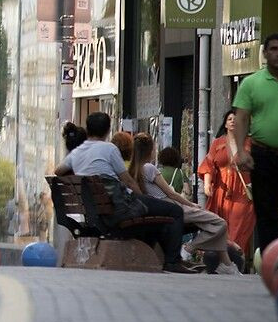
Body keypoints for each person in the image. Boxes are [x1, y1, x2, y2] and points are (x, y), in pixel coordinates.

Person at [53, 112, 195, 273]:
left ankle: (157, 260)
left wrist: (81, 174)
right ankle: (172, 261)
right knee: (175, 211)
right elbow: (127, 180)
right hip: (119, 207)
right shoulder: (109, 149)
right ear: (107, 131)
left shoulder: (77, 152)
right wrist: (142, 197)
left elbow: (58, 171)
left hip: (97, 209)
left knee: (156, 220)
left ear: (88, 129)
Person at [129, 133, 240, 275]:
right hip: (172, 207)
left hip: (157, 209)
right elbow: (171, 194)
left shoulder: (132, 171)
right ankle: (189, 248)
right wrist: (192, 204)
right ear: (150, 150)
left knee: (210, 225)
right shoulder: (149, 168)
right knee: (220, 223)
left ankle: (227, 264)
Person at [231, 33, 278, 250]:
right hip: (263, 155)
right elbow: (241, 117)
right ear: (265, 53)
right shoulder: (251, 83)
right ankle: (272, 257)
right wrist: (242, 152)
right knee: (265, 209)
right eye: (274, 49)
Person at [199, 110, 255, 255]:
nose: (232, 121)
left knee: (239, 227)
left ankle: (235, 259)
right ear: (225, 123)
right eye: (229, 118)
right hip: (221, 192)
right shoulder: (218, 143)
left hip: (242, 192)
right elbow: (208, 164)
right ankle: (221, 261)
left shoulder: (250, 143)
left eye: (236, 119)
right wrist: (206, 184)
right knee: (221, 227)